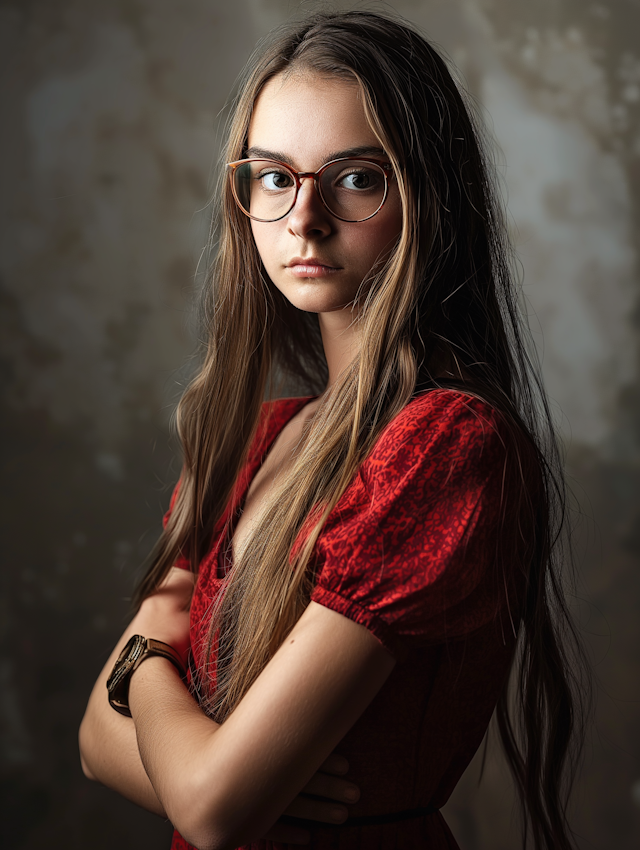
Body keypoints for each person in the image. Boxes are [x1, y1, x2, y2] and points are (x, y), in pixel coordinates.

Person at [79, 10, 590, 850]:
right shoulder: (254, 444)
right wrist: (204, 765)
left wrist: (141, 672)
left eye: (355, 178)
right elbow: (96, 745)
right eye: (274, 178)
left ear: (431, 195)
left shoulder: (446, 448)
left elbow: (210, 809)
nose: (304, 218)